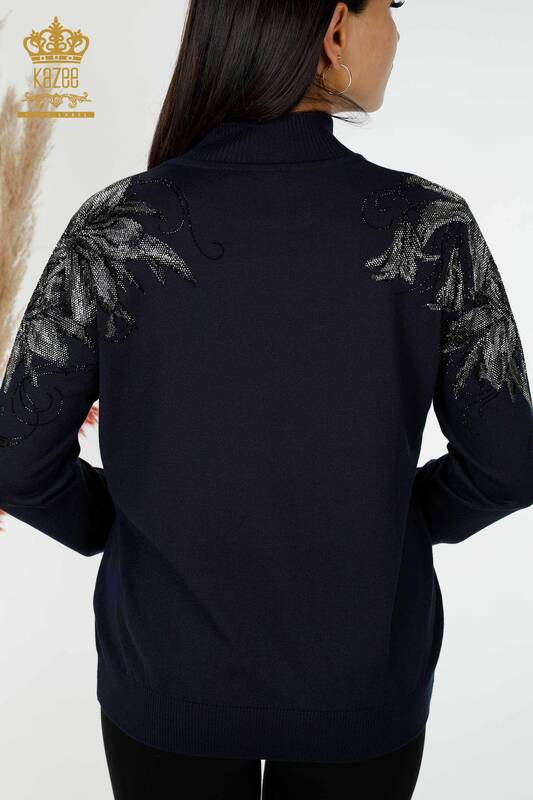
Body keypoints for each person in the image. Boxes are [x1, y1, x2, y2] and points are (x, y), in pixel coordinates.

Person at [1, 1, 532, 798]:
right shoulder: (430, 228)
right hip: (361, 680)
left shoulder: (113, 228)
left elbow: (15, 461)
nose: (396, 30)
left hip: (166, 675)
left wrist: (123, 524)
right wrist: (396, 520)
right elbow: (509, 464)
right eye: (391, 5)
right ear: (334, 29)